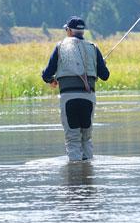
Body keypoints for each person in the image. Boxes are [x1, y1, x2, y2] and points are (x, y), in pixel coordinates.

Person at [42, 16, 110, 162]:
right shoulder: (93, 48)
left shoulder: (60, 47)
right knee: (86, 138)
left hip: (68, 99)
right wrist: (100, 64)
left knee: (73, 139)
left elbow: (47, 74)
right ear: (82, 32)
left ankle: (74, 177)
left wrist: (51, 80)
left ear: (68, 31)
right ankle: (87, 176)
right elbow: (105, 75)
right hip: (88, 98)